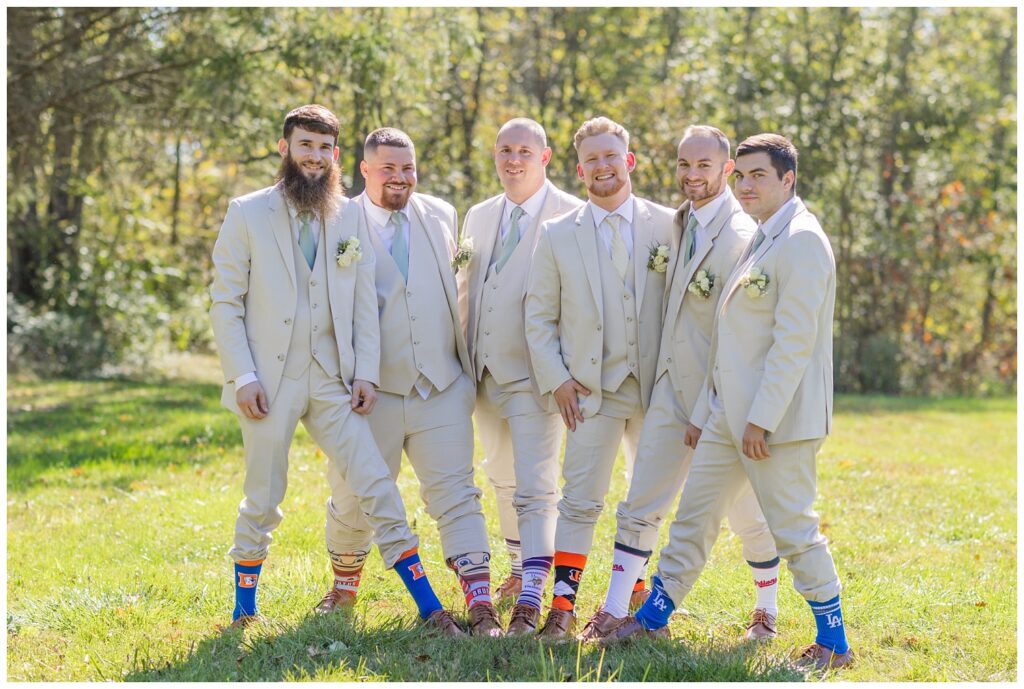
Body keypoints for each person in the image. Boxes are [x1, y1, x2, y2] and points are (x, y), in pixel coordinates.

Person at [209, 105, 458, 633]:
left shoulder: (348, 216)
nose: (315, 157)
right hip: (269, 384)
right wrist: (244, 378)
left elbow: (364, 300)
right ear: (285, 149)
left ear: (337, 156)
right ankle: (243, 610)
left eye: (324, 149)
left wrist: (365, 371)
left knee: (375, 481)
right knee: (264, 496)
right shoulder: (247, 213)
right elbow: (225, 303)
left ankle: (430, 607)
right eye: (305, 146)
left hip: (334, 381)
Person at [612, 133, 854, 671]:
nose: (745, 186)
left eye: (758, 176)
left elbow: (793, 345)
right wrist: (706, 414)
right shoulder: (762, 237)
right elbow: (729, 339)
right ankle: (648, 621)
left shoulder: (803, 241)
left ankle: (834, 642)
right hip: (725, 415)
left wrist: (760, 421)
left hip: (775, 422)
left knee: (793, 529)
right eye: (740, 176)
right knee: (693, 519)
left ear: (788, 179)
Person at [578, 125, 781, 643]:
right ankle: (615, 608)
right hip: (667, 388)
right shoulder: (675, 223)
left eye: (704, 166)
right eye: (684, 165)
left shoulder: (741, 236)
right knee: (641, 499)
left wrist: (709, 408)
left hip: (721, 397)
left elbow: (739, 335)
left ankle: (766, 608)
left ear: (726, 171)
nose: (693, 176)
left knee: (745, 510)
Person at [323, 127, 502, 637]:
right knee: (355, 492)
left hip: (441, 385)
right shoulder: (336, 220)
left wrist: (464, 374)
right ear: (363, 170)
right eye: (388, 169)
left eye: (408, 168)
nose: (400, 178)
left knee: (457, 493)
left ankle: (482, 603)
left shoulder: (441, 215)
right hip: (367, 392)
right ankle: (343, 588)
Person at [524, 116, 675, 640]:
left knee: (648, 496)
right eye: (591, 160)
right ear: (580, 169)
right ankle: (562, 608)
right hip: (590, 388)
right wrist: (558, 378)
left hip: (659, 387)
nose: (602, 167)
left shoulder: (668, 225)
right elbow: (537, 316)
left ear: (628, 160)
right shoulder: (558, 233)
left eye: (611, 156)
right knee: (580, 497)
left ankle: (629, 598)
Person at [456, 118, 583, 635]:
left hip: (538, 375)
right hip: (482, 372)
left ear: (545, 156)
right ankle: (517, 568)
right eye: (505, 150)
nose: (513, 160)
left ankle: (533, 597)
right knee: (501, 475)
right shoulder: (480, 215)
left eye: (524, 151)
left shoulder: (571, 214)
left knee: (536, 485)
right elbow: (467, 289)